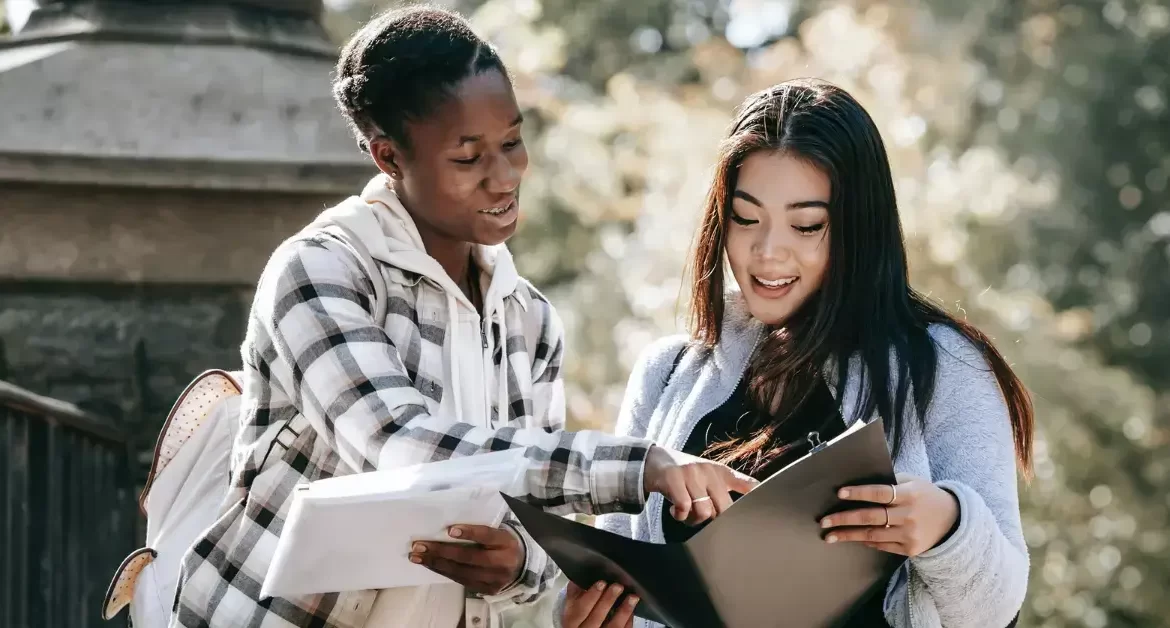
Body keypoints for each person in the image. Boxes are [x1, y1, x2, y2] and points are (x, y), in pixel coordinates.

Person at [168, 6, 755, 628]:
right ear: (389, 157)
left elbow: (530, 522)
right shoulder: (319, 272)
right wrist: (640, 467)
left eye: (512, 142)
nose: (504, 177)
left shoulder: (530, 318)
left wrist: (519, 562)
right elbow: (399, 449)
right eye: (468, 158)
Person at [559, 78, 1033, 628]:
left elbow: (996, 610)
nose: (766, 252)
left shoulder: (944, 367)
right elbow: (621, 581)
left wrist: (948, 528)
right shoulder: (667, 373)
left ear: (859, 230)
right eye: (745, 217)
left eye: (806, 225)